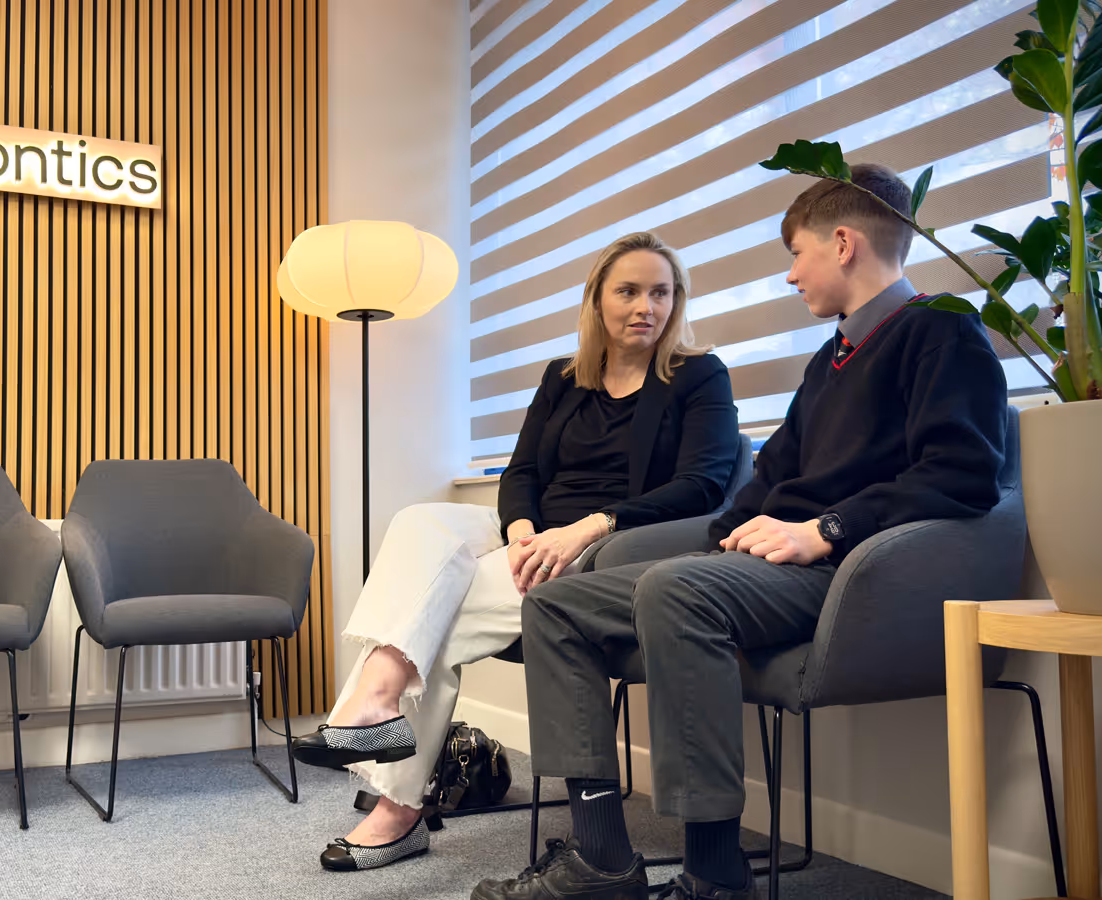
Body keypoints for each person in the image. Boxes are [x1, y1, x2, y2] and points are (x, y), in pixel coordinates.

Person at [471, 164, 1008, 900]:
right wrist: (714, 541)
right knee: (557, 605)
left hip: (847, 570)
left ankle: (716, 876)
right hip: (771, 565)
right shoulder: (832, 356)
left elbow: (964, 475)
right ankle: (601, 859)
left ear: (843, 243)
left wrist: (825, 528)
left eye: (797, 253)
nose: (792, 275)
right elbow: (767, 476)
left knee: (676, 592)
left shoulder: (943, 332)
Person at [290, 232, 742, 872]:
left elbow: (705, 485)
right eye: (629, 291)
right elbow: (521, 470)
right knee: (424, 521)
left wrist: (589, 526)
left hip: (613, 546)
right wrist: (520, 527)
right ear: (596, 299)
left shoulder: (698, 375)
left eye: (661, 292)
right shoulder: (563, 377)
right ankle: (378, 704)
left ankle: (395, 798)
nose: (647, 306)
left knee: (432, 620)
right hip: (535, 536)